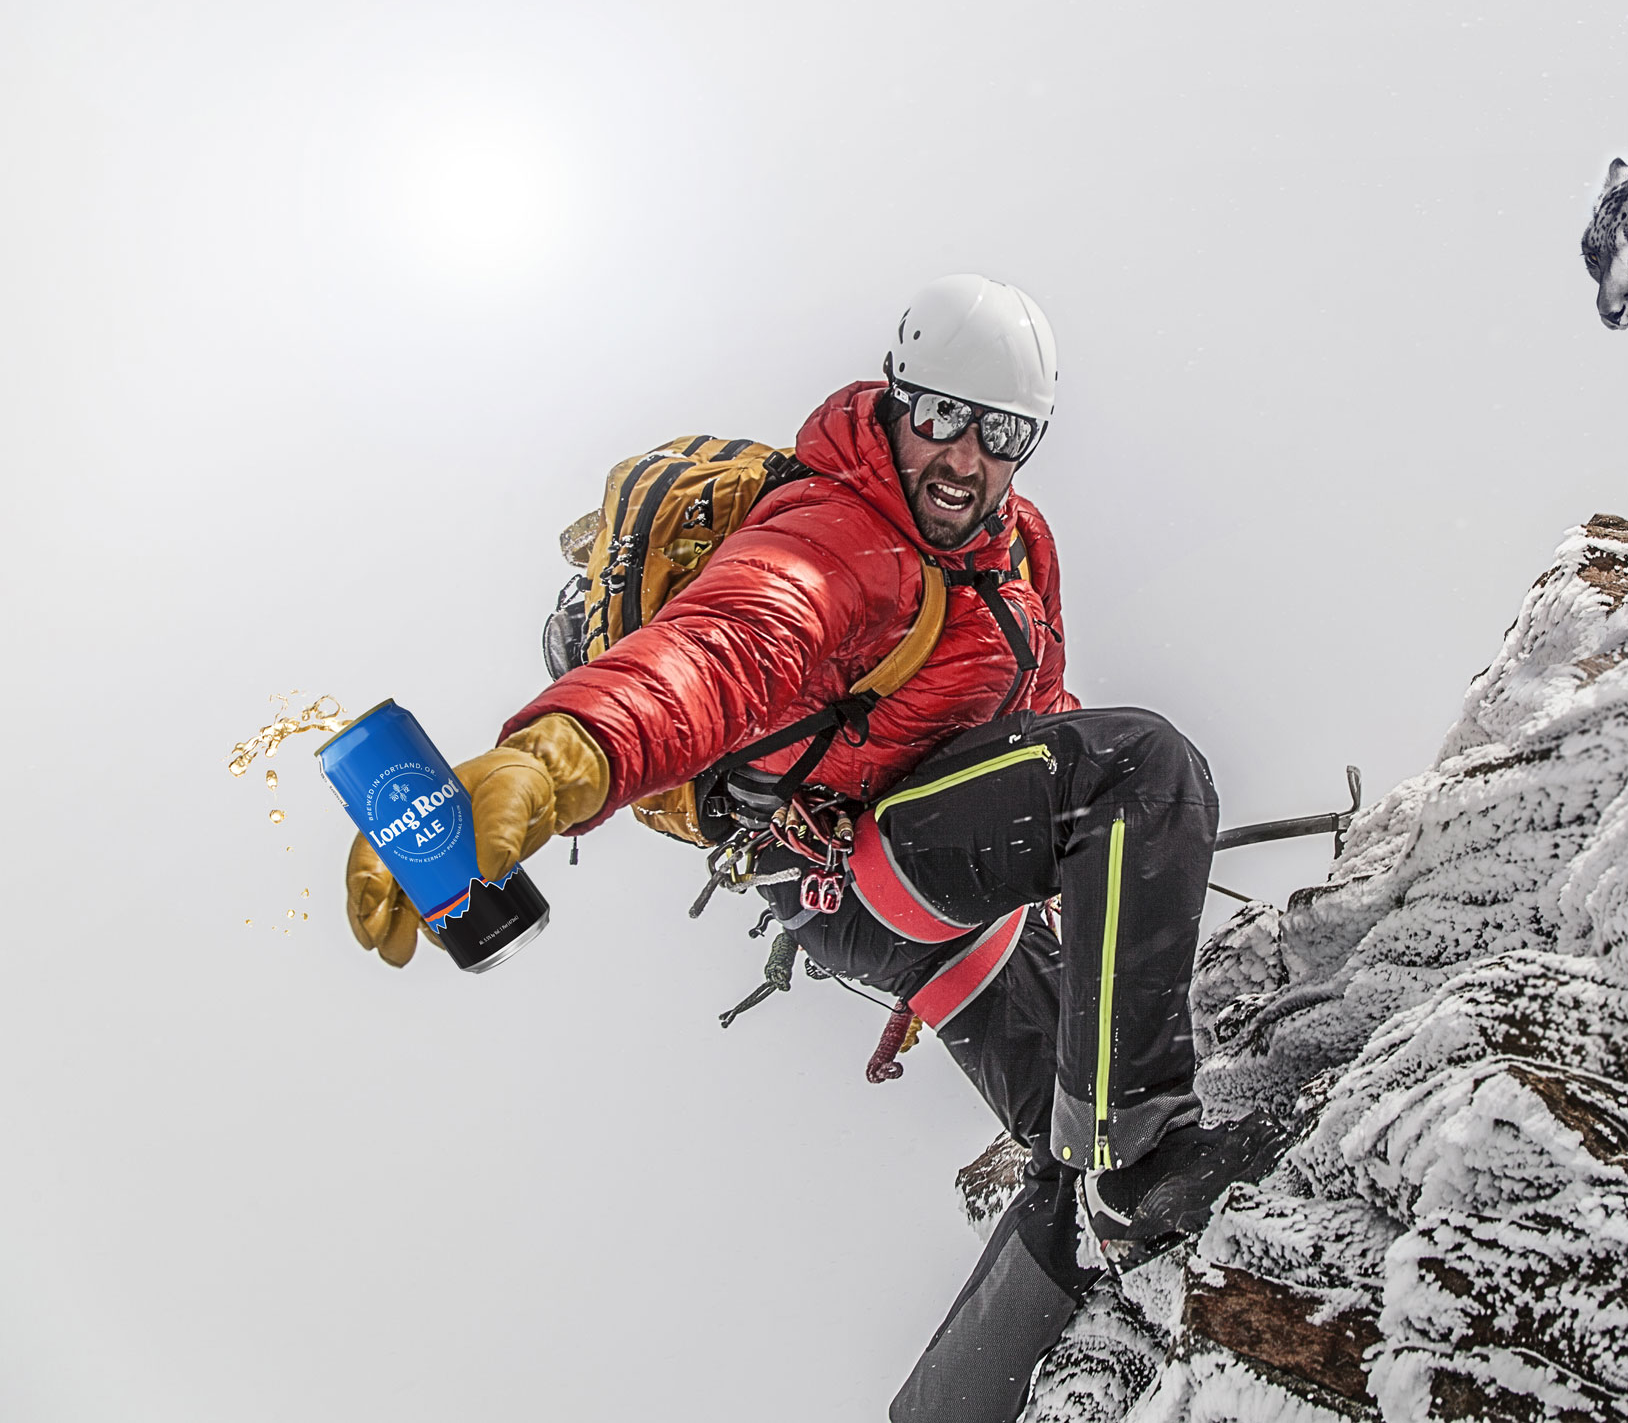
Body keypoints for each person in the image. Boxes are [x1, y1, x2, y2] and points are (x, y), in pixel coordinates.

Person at [342, 275, 1283, 1422]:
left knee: (1060, 1143)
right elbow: (714, 656)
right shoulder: (837, 539)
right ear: (893, 400)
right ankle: (1142, 1167)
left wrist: (1076, 886)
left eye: (1002, 435)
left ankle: (958, 1397)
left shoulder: (1021, 551)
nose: (962, 459)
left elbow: (1039, 719)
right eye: (940, 415)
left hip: (931, 895)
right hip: (860, 869)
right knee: (1146, 769)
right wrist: (555, 761)